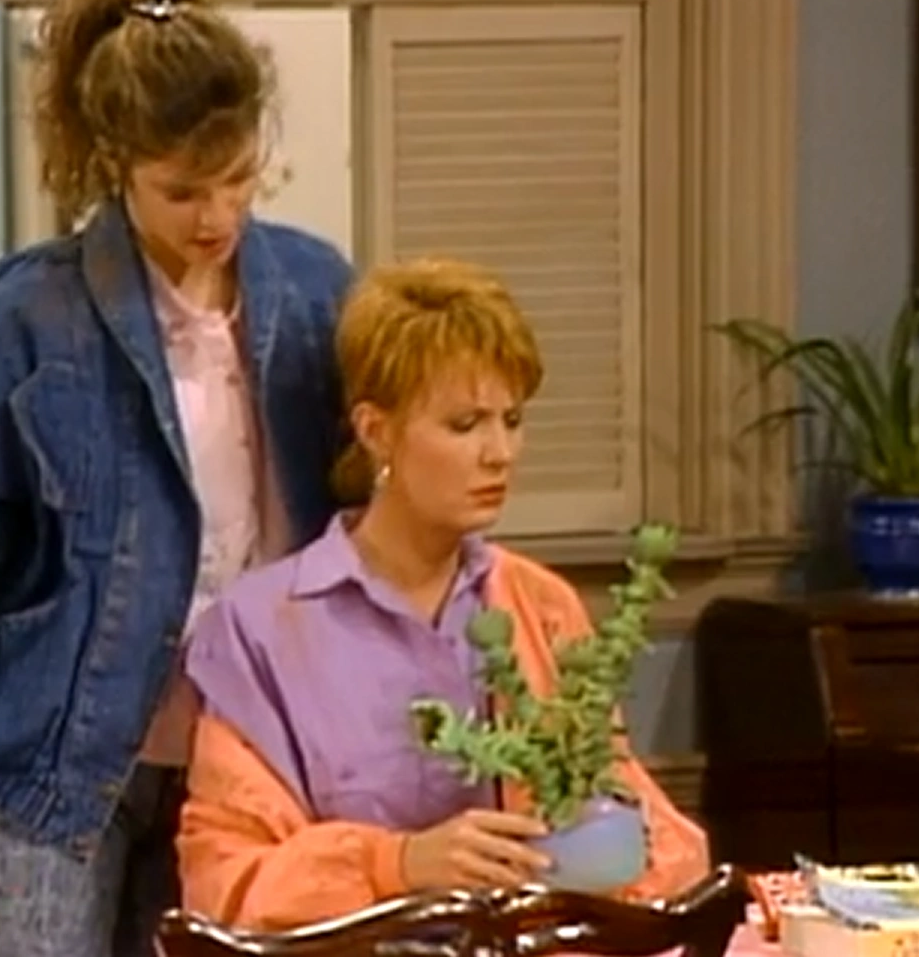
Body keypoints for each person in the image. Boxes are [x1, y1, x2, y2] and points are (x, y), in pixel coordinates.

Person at [0, 0, 353, 957]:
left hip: (252, 759)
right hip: (48, 770)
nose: (217, 217)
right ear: (118, 165)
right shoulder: (27, 317)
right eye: (182, 191)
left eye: (240, 179)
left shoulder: (315, 293)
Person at [175, 259, 710, 931]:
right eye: (465, 424)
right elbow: (223, 886)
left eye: (511, 419)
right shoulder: (261, 630)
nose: (500, 452)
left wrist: (604, 849)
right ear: (376, 431)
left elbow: (643, 824)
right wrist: (395, 864)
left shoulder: (539, 607)